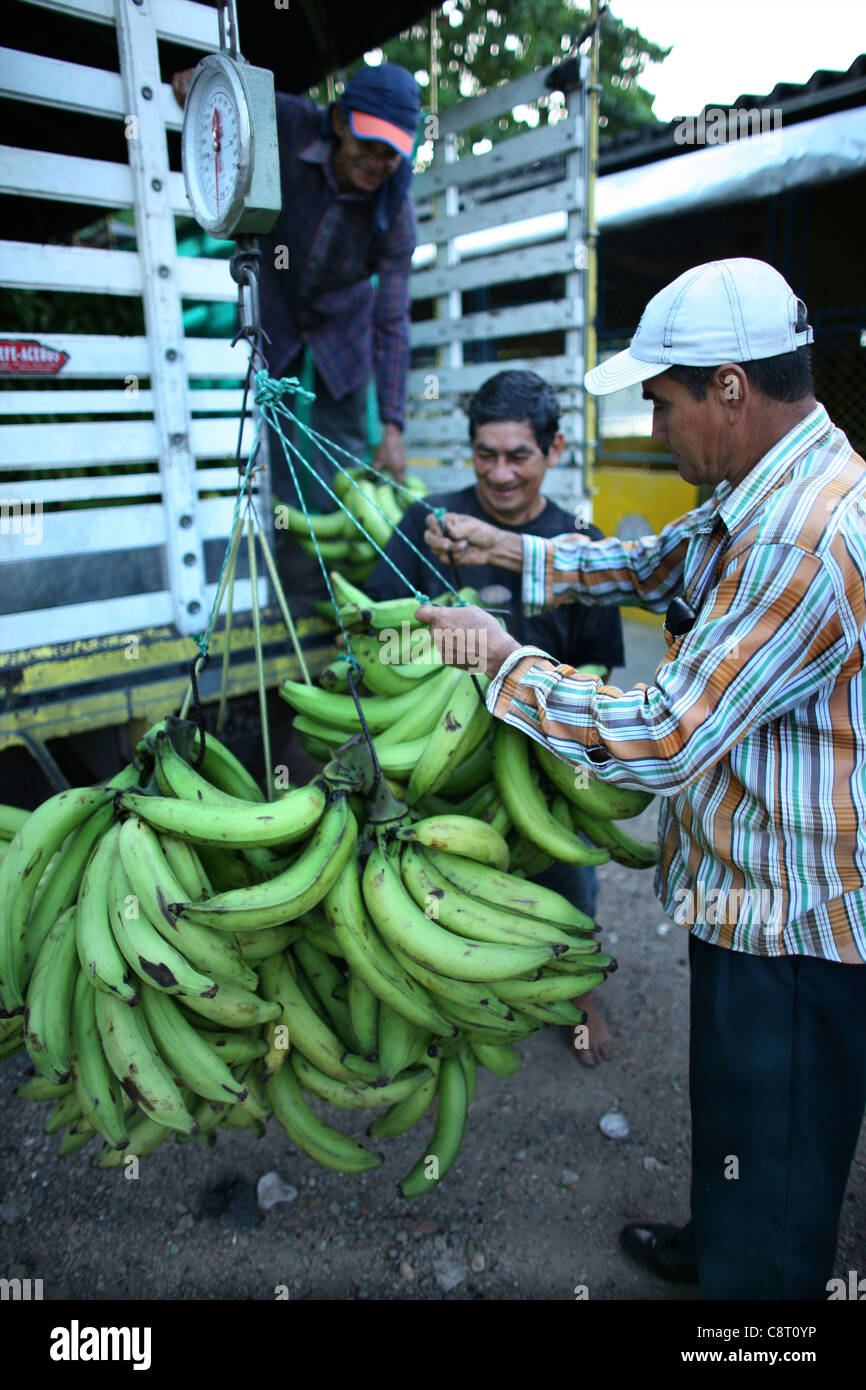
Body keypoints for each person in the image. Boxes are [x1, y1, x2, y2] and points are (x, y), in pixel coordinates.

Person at [412, 258, 866, 1301]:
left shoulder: (805, 533)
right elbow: (655, 565)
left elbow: (663, 735)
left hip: (794, 924)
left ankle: (752, 1298)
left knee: (778, 1140)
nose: (653, 429)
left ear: (727, 389)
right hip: (739, 894)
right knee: (738, 1118)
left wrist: (499, 658)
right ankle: (721, 1244)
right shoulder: (759, 487)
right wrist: (514, 554)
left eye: (660, 403)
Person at [364, 369, 625, 1065]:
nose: (501, 474)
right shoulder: (429, 525)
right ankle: (452, 994)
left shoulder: (579, 542)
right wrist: (443, 651)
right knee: (436, 884)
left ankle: (575, 992)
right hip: (435, 748)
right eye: (486, 454)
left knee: (566, 880)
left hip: (542, 751)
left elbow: (600, 664)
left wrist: (533, 681)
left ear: (555, 451)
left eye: (519, 455)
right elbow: (371, 635)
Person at [172, 62, 420, 507]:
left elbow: (392, 321)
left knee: (342, 448)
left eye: (391, 153)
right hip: (279, 306)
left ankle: (340, 539)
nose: (378, 161)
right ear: (341, 121)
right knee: (272, 434)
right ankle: (281, 536)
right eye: (369, 143)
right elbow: (231, 96)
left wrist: (392, 426)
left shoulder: (398, 214)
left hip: (344, 325)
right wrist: (200, 88)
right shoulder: (286, 122)